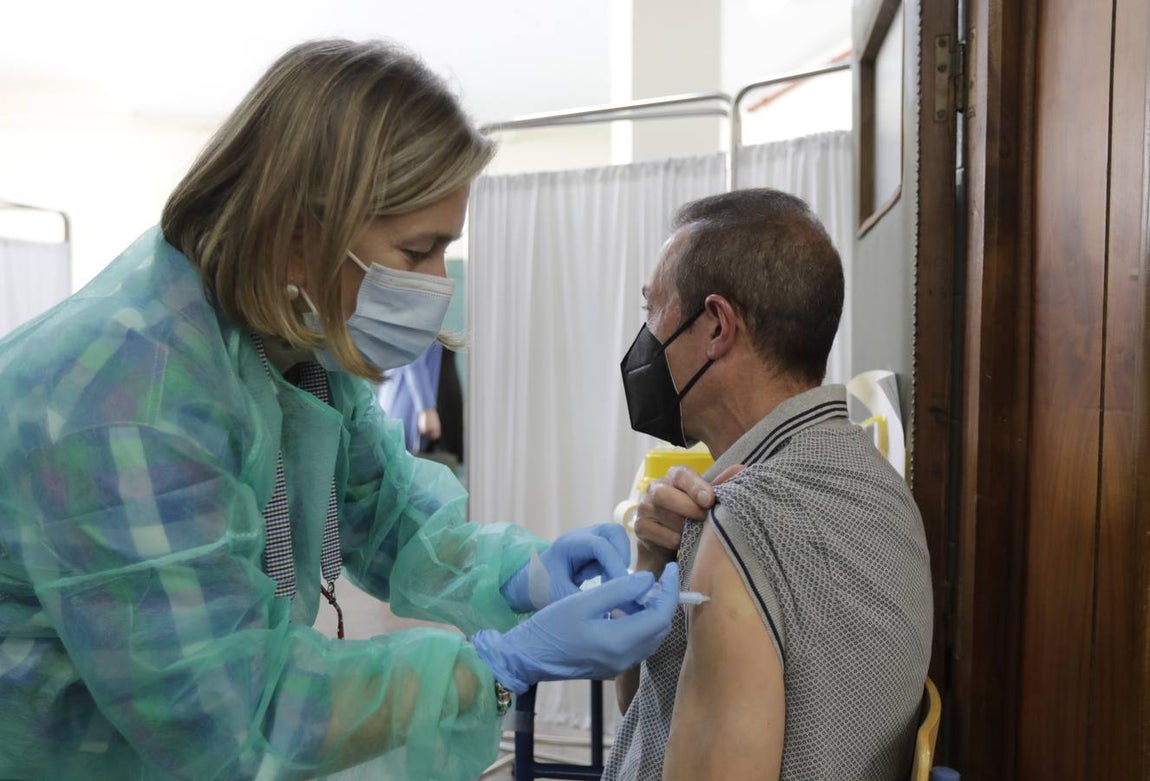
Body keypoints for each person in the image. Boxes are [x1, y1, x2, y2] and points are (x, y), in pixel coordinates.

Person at [0, 39, 682, 781]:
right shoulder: (129, 401)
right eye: (418, 251)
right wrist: (499, 662)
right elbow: (240, 719)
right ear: (298, 235)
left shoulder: (294, 344)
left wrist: (525, 575)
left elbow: (390, 515)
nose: (436, 285)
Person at [607, 189, 933, 781]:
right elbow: (649, 710)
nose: (644, 341)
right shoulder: (877, 485)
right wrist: (651, 564)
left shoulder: (747, 522)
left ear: (715, 328)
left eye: (652, 310)